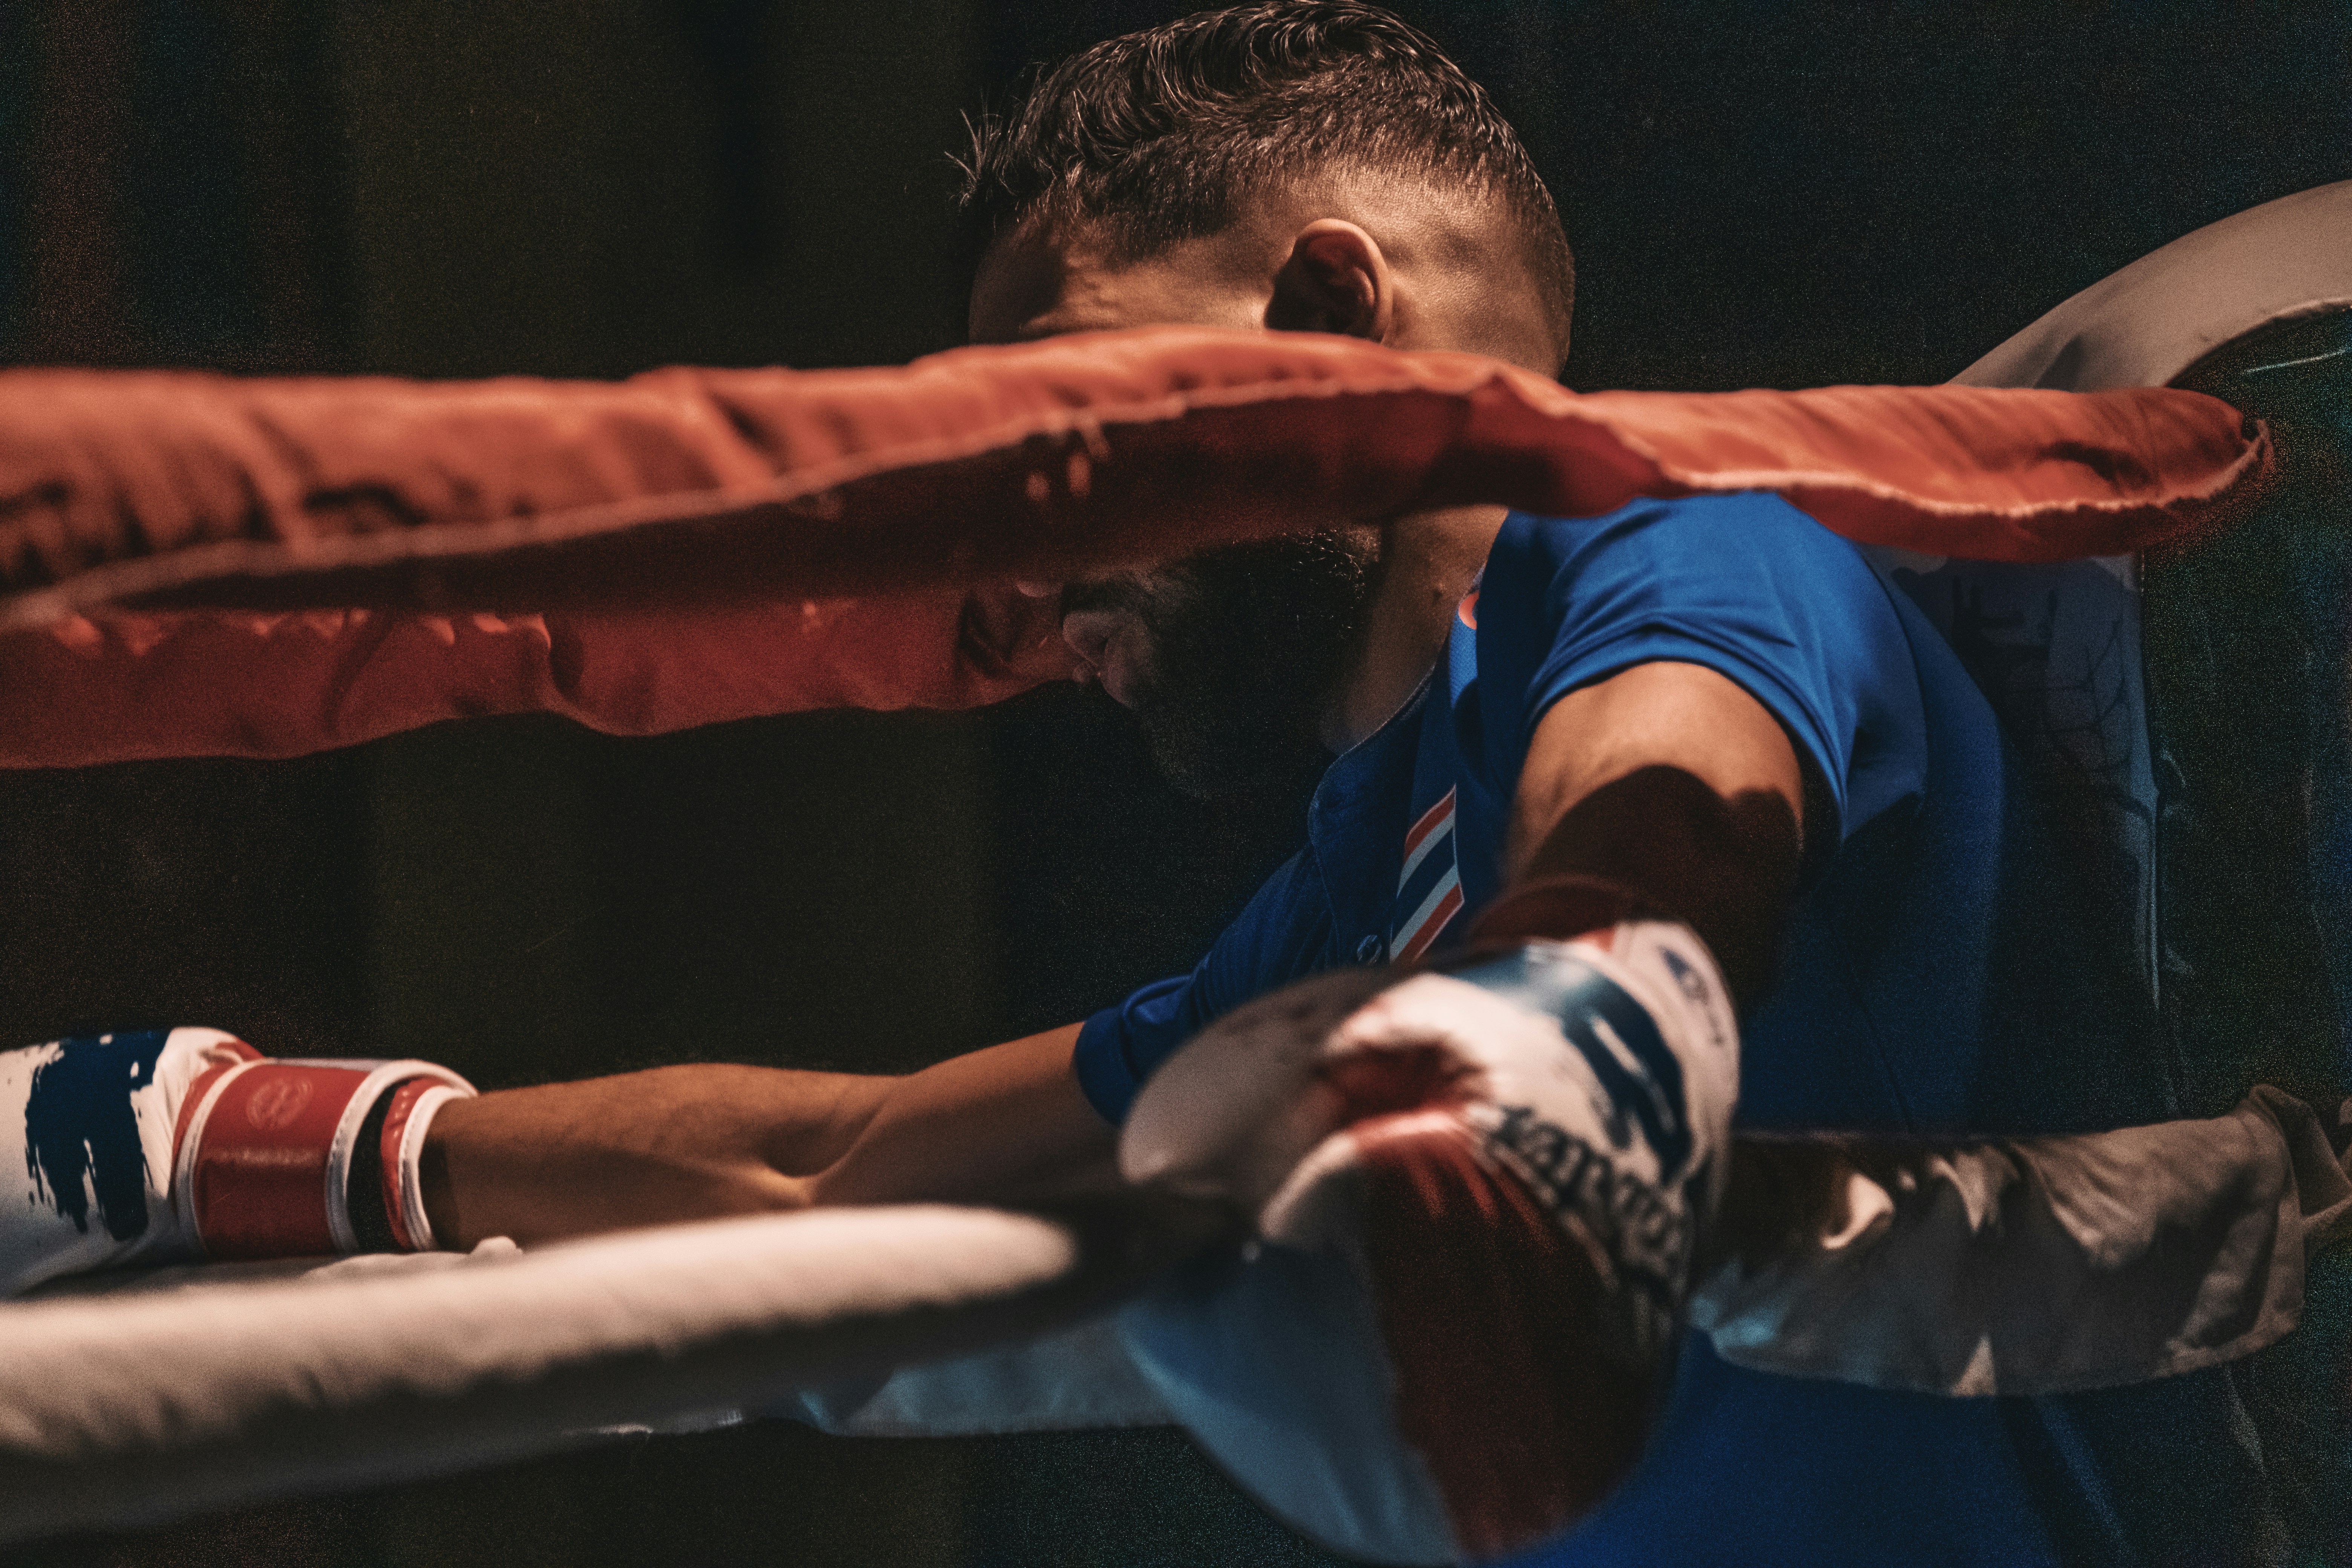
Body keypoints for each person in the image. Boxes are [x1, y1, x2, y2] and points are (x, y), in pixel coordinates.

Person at [12, 6, 2317, 1563]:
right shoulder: (1348, 895)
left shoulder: (1682, 558)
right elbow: (837, 1169)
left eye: (1048, 410)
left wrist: (1555, 1055)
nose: (1015, 539)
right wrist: (216, 1134)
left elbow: (1676, 805)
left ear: (1328, 318)